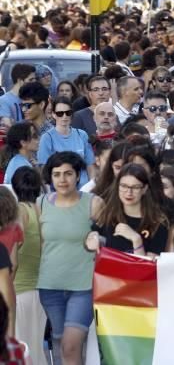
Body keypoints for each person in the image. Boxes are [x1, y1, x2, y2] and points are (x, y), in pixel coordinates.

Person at [36, 152, 104, 365]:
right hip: (50, 286)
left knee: (70, 344)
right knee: (60, 343)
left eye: (68, 173)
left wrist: (99, 239)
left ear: (77, 176)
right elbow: (42, 244)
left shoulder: (94, 203)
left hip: (83, 286)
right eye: (56, 174)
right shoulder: (41, 203)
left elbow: (107, 239)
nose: (62, 180)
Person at [84, 163, 169, 256]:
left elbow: (148, 268)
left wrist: (136, 240)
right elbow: (90, 240)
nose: (129, 192)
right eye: (124, 186)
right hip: (109, 270)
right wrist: (93, 238)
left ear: (144, 189)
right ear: (117, 186)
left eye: (135, 187)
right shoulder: (109, 214)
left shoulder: (158, 223)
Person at [11, 167, 46, 365]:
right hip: (39, 290)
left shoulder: (18, 212)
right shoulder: (41, 210)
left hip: (17, 289)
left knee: (19, 350)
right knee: (35, 349)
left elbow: (12, 256)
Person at [37, 97, 95, 191]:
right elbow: (44, 170)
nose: (64, 116)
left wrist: (91, 188)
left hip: (83, 190)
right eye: (60, 113)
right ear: (53, 115)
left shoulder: (82, 135)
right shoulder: (47, 138)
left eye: (68, 113)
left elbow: (90, 165)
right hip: (59, 191)